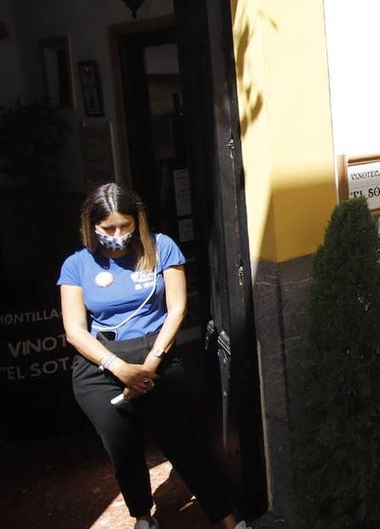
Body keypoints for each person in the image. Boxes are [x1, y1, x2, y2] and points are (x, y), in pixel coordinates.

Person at [59, 184, 247, 529]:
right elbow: (75, 330)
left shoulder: (161, 247)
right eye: (108, 228)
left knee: (184, 443)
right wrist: (119, 368)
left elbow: (177, 309)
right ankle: (143, 517)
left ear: (136, 221)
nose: (117, 235)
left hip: (155, 354)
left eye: (125, 226)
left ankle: (229, 520)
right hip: (101, 363)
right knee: (123, 449)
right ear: (93, 226)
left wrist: (149, 365)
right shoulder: (77, 265)